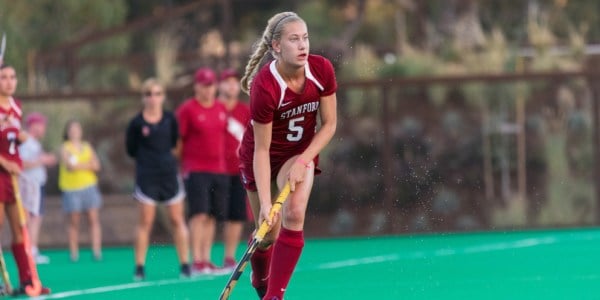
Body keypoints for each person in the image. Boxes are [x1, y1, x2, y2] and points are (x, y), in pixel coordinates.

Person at [238, 11, 337, 300]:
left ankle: (274, 296)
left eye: (305, 38)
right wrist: (267, 204)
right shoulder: (265, 87)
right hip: (260, 156)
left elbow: (329, 124)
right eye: (294, 40)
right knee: (267, 232)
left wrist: (304, 160)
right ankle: (261, 276)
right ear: (277, 47)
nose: (303, 45)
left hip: (298, 153)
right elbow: (262, 149)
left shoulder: (321, 70)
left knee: (294, 213)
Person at [126, 78, 190, 280]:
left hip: (169, 175)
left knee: (177, 219)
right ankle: (139, 266)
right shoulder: (136, 123)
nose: (153, 98)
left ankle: (185, 264)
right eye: (148, 94)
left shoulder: (170, 119)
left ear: (162, 97)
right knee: (145, 220)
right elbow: (131, 150)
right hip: (147, 177)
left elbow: (175, 144)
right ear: (143, 98)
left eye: (156, 93)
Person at [0, 64, 51, 295]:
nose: (9, 82)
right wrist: (4, 162)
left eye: (13, 77)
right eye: (4, 78)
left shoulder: (16, 107)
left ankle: (27, 281)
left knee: (20, 228)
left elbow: (11, 139)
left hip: (13, 176)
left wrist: (19, 138)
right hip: (1, 174)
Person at [176, 67, 229, 274]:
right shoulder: (187, 109)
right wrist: (184, 164)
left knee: (212, 216)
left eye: (211, 85)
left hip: (219, 169)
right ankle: (195, 259)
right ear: (197, 86)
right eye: (204, 85)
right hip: (196, 169)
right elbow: (178, 141)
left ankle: (206, 259)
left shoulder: (220, 108)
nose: (208, 89)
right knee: (199, 214)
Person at [218, 69, 251, 271]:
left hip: (239, 170)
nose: (231, 85)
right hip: (215, 171)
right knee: (212, 214)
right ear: (219, 85)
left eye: (234, 82)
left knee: (237, 214)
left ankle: (229, 257)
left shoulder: (245, 110)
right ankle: (201, 259)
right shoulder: (213, 108)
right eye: (227, 81)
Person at [58, 120, 103, 262]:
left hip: (89, 187)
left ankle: (96, 251)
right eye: (72, 129)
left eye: (77, 128)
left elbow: (97, 166)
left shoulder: (87, 146)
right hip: (72, 189)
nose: (75, 131)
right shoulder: (65, 148)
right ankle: (74, 253)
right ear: (67, 132)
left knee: (93, 219)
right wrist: (88, 164)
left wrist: (82, 165)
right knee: (74, 221)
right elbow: (71, 166)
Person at [19, 112, 57, 264]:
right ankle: (28, 251)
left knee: (37, 218)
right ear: (33, 126)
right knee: (31, 219)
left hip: (37, 185)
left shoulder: (35, 143)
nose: (44, 128)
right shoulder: (25, 141)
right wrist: (41, 160)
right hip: (29, 186)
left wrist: (45, 160)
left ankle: (32, 249)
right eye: (41, 125)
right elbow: (21, 163)